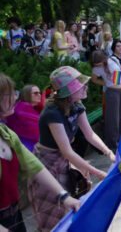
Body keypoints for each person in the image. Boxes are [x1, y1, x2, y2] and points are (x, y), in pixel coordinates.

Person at [28, 66, 114, 231]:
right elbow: (66, 150)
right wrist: (96, 171)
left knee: (68, 204)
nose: (85, 87)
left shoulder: (77, 105)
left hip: (62, 160)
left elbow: (90, 135)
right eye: (80, 86)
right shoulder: (52, 113)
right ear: (67, 92)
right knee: (53, 211)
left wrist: (108, 151)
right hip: (46, 163)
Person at [0, 73, 81, 232]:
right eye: (9, 94)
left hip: (14, 216)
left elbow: (33, 165)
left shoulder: (6, 133)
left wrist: (64, 196)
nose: (14, 98)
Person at [90, 51, 121, 151]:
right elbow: (94, 79)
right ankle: (112, 145)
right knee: (113, 119)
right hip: (112, 92)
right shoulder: (97, 68)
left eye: (99, 63)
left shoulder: (113, 60)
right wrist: (106, 84)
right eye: (96, 64)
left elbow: (117, 76)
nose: (99, 65)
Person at [5, 85, 43, 152]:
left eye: (40, 93)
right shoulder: (21, 111)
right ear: (27, 94)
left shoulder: (35, 109)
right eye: (36, 93)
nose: (39, 95)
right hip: (25, 148)